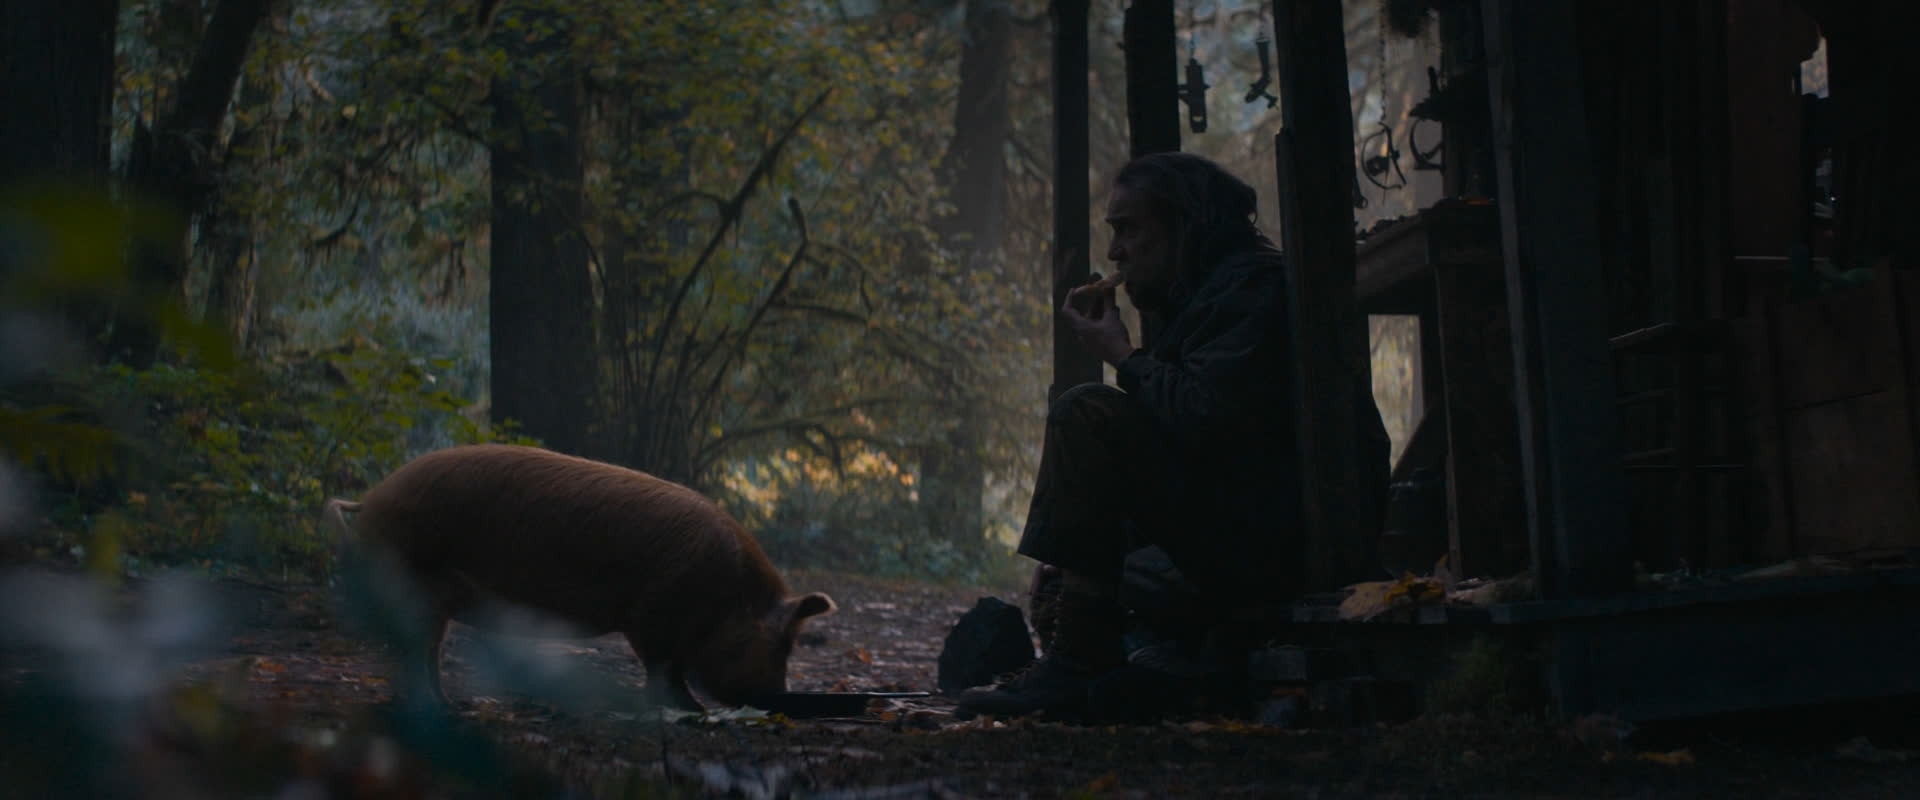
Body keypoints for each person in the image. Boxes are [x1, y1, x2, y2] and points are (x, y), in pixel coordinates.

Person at [955, 152, 1390, 720]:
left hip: (1280, 549)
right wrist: (1079, 546)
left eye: (1128, 229)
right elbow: (1181, 455)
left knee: (1085, 412)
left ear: (1183, 224)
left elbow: (1204, 420)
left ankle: (1081, 668)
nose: (1114, 253)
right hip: (1236, 534)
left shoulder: (1254, 287)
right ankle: (1141, 670)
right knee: (1068, 586)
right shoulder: (1198, 295)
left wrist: (1122, 354)